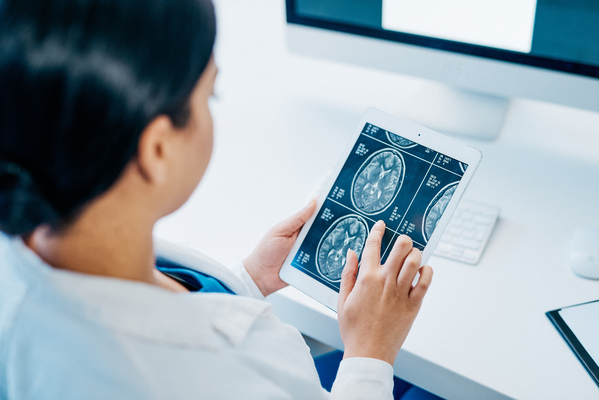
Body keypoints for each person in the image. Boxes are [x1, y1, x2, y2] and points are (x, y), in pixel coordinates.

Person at [0, 0, 435, 398]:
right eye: (211, 95)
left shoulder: (30, 256)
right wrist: (370, 354)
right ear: (157, 150)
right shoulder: (214, 373)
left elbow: (173, 310)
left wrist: (247, 280)